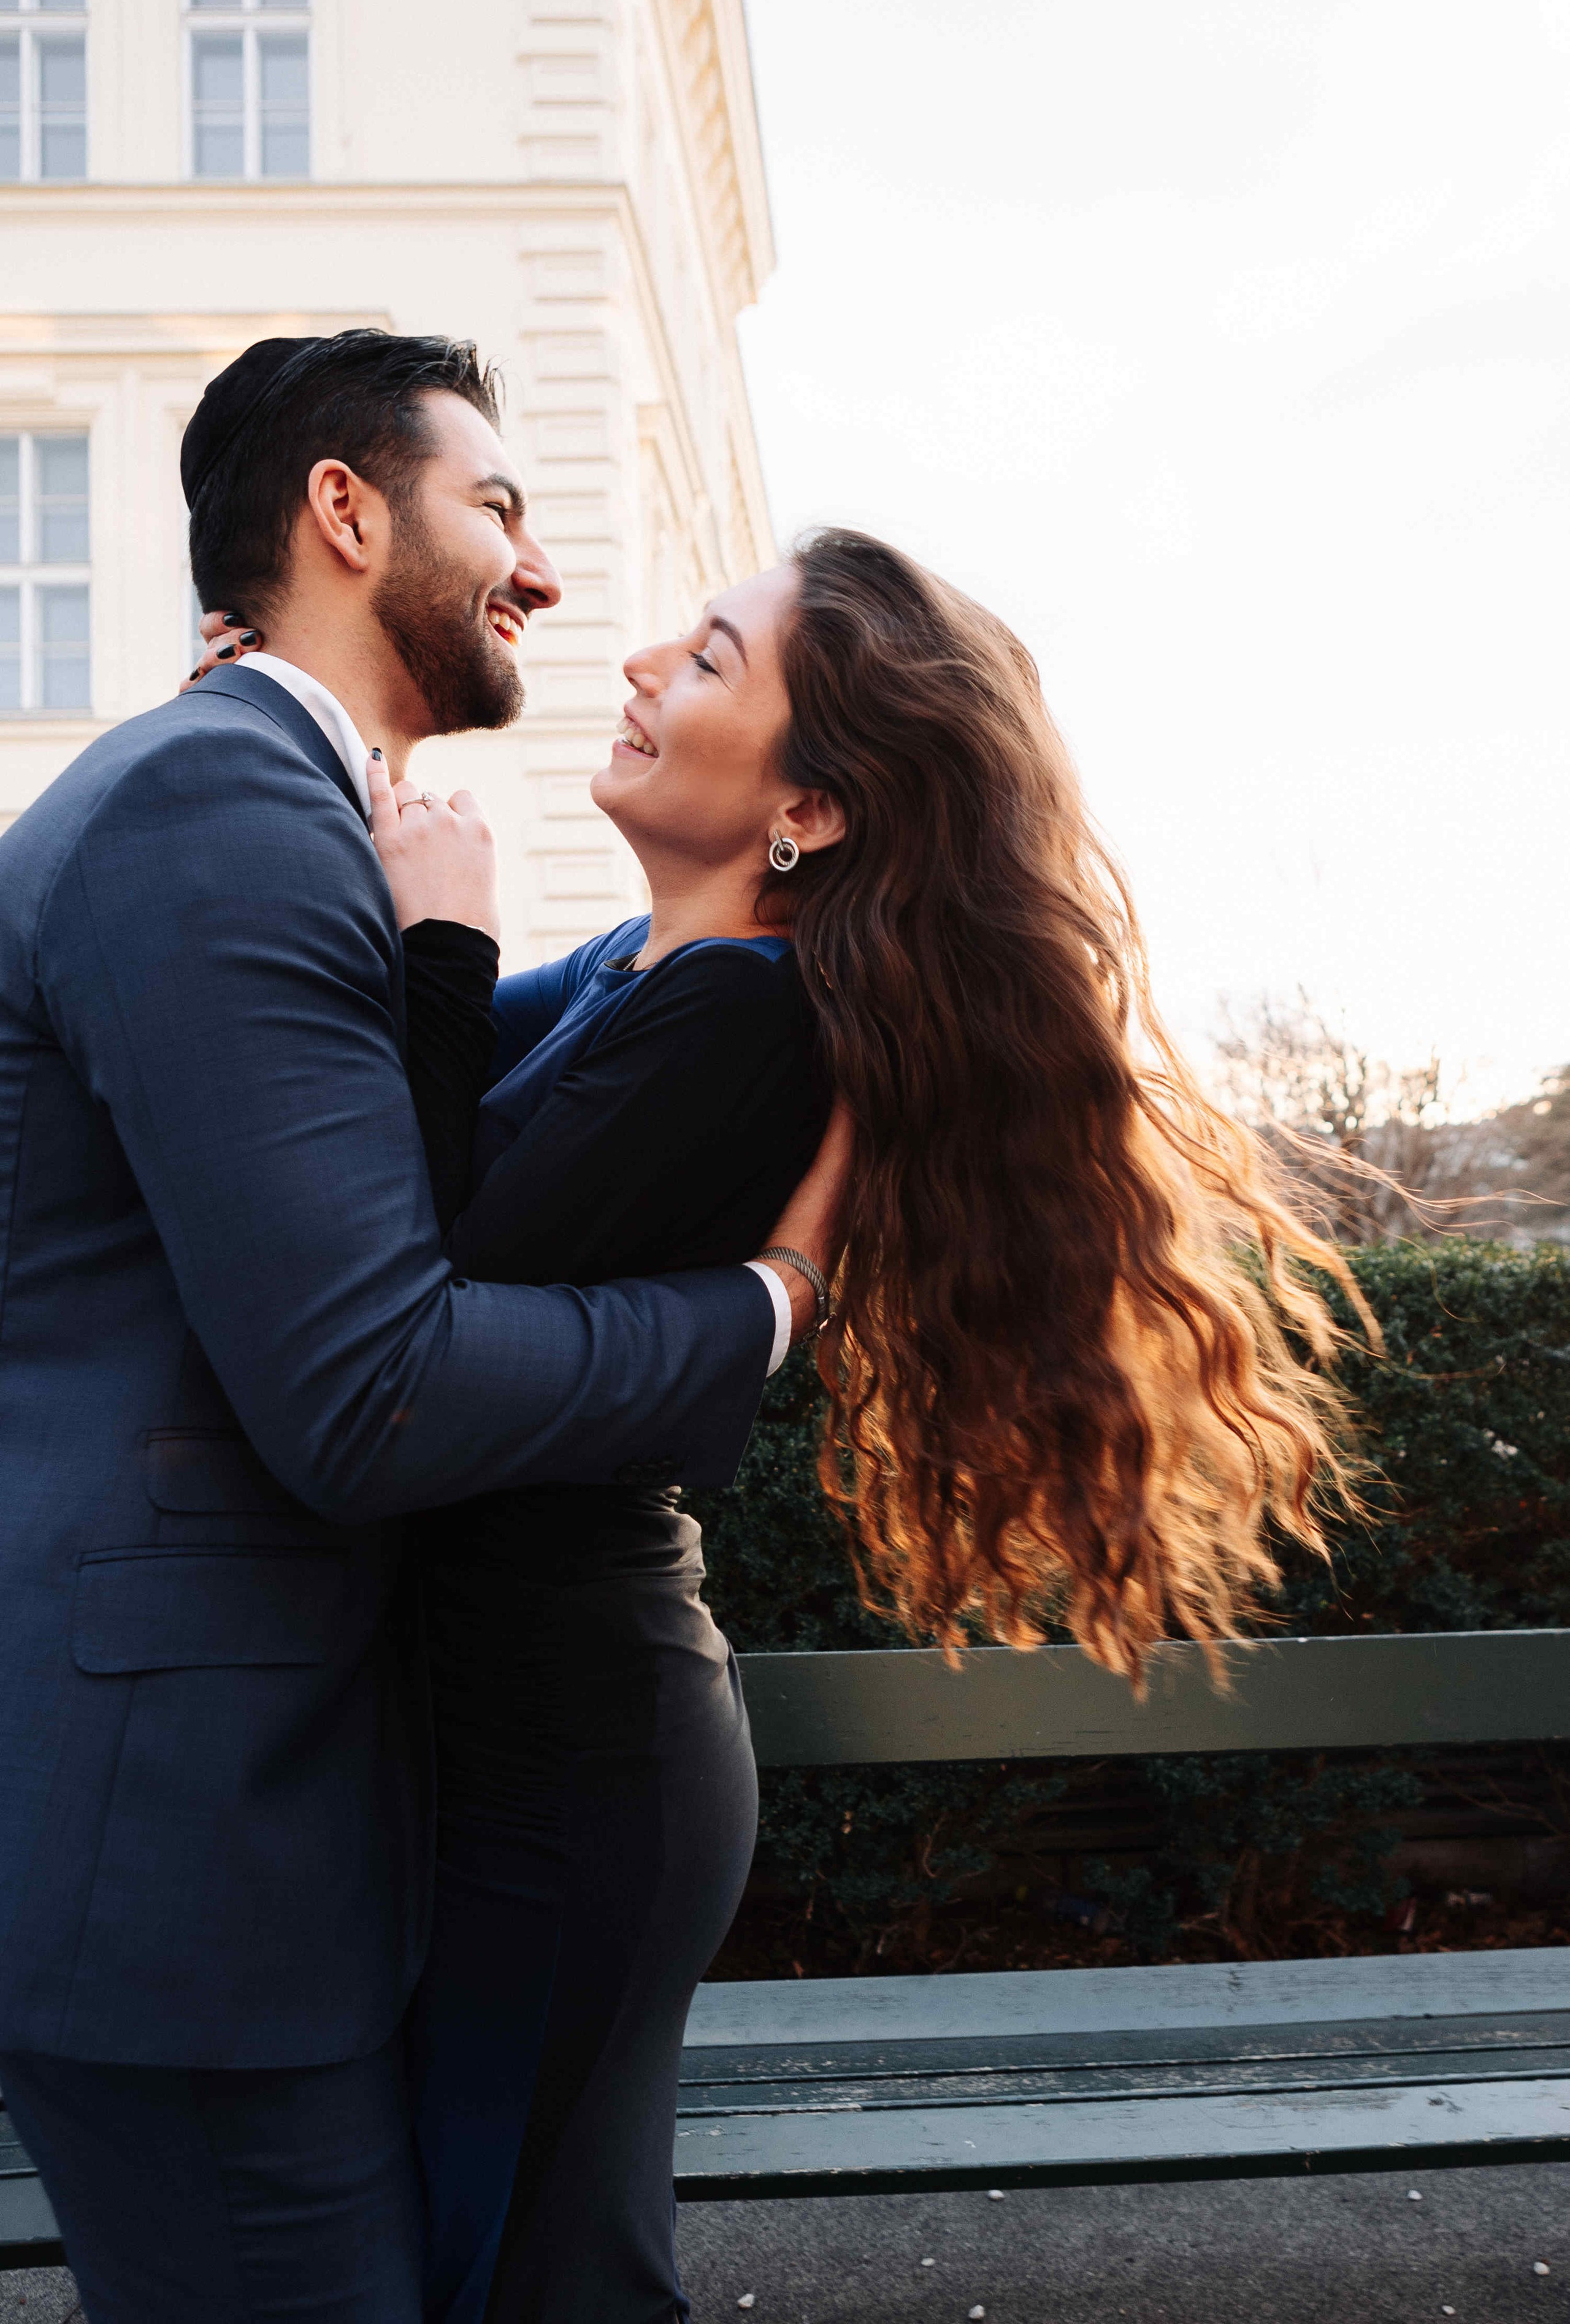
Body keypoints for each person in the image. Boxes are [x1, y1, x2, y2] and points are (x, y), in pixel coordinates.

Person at [199, 524, 1366, 2322]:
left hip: (567, 1761)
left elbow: (412, 1279)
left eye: (713, 658)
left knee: (535, 2272)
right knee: (486, 2250)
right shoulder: (641, 974)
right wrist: (308, 747)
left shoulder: (750, 1023)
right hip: (507, 1733)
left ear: (808, 807)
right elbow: (349, 1087)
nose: (649, 663)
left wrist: (440, 938)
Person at [0, 328, 840, 2324]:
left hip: (264, 1817)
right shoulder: (223, 808)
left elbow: (591, 1018)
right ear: (349, 515)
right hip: (177, 1838)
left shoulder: (273, 799)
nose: (545, 577)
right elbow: (371, 1390)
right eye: (500, 509)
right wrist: (759, 1311)